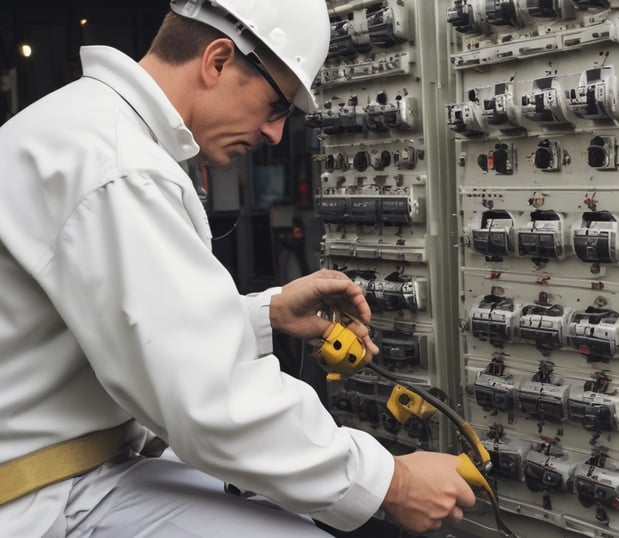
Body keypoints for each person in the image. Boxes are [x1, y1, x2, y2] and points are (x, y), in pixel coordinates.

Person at [0, 0, 475, 536]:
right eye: (276, 106)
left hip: (75, 466)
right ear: (219, 60)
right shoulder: (117, 165)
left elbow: (134, 331)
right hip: (46, 495)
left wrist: (264, 314)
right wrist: (395, 482)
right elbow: (210, 402)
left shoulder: (93, 130)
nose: (276, 134)